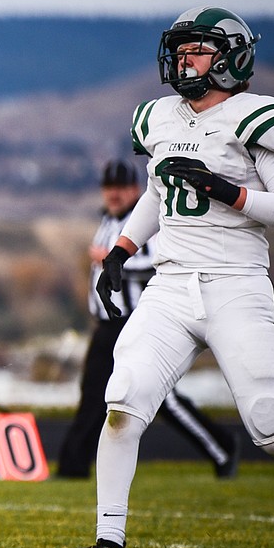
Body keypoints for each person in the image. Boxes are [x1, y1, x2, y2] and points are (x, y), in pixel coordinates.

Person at [80, 6, 274, 548]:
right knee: (122, 401)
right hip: (171, 285)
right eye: (181, 50)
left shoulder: (255, 117)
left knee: (272, 427)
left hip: (236, 285)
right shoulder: (161, 117)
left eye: (198, 51)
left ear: (231, 58)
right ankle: (108, 539)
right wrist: (122, 250)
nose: (184, 61)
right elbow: (157, 194)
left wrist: (227, 190)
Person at [57, 158, 239, 480]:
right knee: (93, 395)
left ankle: (222, 447)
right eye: (108, 188)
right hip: (106, 326)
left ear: (134, 190)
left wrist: (113, 261)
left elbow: (156, 263)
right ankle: (72, 467)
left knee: (163, 401)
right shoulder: (107, 221)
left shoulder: (143, 223)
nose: (113, 195)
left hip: (136, 322)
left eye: (120, 188)